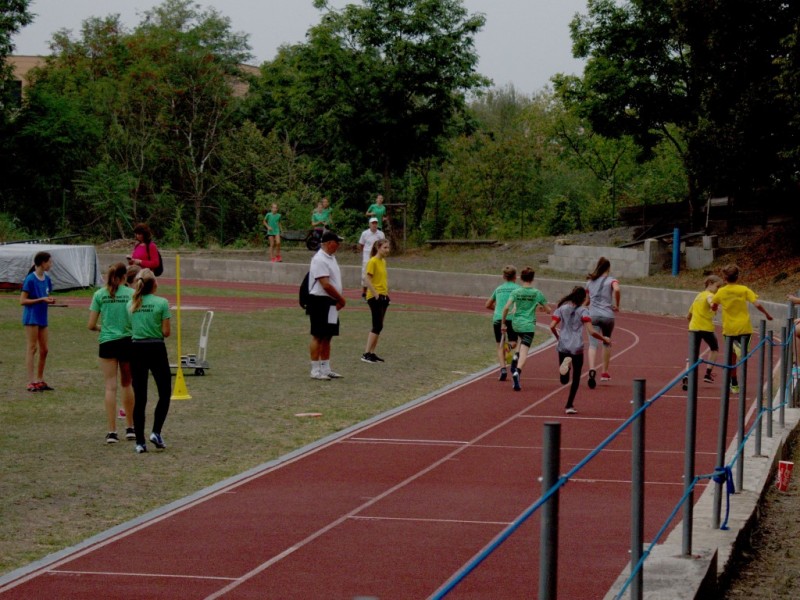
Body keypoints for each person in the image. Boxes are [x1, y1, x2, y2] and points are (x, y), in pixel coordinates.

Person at [88, 263, 135, 443]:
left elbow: (91, 325)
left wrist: (103, 328)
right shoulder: (131, 294)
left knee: (110, 387)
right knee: (127, 384)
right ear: (124, 277)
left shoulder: (99, 294)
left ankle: (112, 431)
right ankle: (130, 427)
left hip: (107, 342)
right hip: (127, 341)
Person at [128, 268, 172, 453]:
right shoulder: (162, 303)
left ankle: (140, 442)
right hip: (156, 348)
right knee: (164, 392)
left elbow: (130, 327)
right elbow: (166, 332)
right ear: (154, 284)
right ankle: (156, 431)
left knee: (140, 397)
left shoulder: (131, 303)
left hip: (136, 348)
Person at [710, 264, 773, 393]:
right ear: (737, 277)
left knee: (731, 358)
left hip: (729, 328)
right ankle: (739, 349)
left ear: (724, 278)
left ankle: (734, 384)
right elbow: (757, 304)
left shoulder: (721, 292)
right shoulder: (744, 289)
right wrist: (767, 314)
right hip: (744, 327)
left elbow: (714, 305)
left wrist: (715, 308)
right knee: (742, 353)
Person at [550, 286, 611, 414]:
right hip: (576, 346)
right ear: (583, 299)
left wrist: (558, 338)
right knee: (576, 378)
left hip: (563, 345)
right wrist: (604, 339)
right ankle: (569, 405)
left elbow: (552, 326)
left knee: (564, 380)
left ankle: (565, 368)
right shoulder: (583, 311)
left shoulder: (562, 308)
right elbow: (591, 331)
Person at [501, 267, 551, 391]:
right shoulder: (537, 293)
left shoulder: (516, 292)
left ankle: (514, 356)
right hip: (528, 325)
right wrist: (542, 308)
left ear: (521, 278)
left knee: (520, 339)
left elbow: (506, 308)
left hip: (516, 324)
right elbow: (548, 310)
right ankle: (517, 372)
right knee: (525, 350)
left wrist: (503, 323)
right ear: (532, 279)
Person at [308, 230, 347, 380]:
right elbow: (325, 284)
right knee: (318, 335)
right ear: (329, 243)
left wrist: (337, 299)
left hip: (331, 302)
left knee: (328, 335)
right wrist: (341, 299)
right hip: (320, 301)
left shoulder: (331, 258)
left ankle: (325, 368)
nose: (338, 245)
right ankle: (315, 370)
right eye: (337, 242)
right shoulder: (319, 259)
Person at [21, 251, 56, 392]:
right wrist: (41, 299)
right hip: (32, 317)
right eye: (49, 262)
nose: (51, 264)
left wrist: (49, 299)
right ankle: (30, 382)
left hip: (42, 317)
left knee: (44, 349)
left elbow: (46, 295)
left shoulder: (47, 279)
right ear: (42, 263)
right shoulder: (30, 279)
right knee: (32, 348)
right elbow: (22, 301)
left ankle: (40, 379)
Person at [682, 275, 722, 390]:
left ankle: (687, 375)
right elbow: (711, 301)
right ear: (710, 283)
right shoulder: (710, 295)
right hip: (706, 328)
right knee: (714, 349)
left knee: (693, 353)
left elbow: (688, 316)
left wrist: (691, 325)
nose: (718, 290)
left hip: (694, 328)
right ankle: (708, 374)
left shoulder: (698, 296)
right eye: (717, 286)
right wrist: (714, 306)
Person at [586, 257, 620, 388]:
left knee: (592, 344)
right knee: (606, 341)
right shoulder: (612, 280)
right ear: (608, 268)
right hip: (608, 316)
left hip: (593, 315)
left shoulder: (590, 282)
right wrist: (617, 304)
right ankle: (604, 372)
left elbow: (587, 300)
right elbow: (617, 289)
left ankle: (592, 369)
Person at [485, 265, 520, 381]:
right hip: (512, 318)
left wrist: (497, 310)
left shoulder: (498, 289)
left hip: (498, 318)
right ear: (515, 276)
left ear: (503, 277)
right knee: (513, 343)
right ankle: (509, 352)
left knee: (499, 345)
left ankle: (503, 369)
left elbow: (487, 305)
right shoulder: (518, 289)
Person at [361, 239, 391, 363]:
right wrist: (375, 294)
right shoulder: (372, 261)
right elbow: (367, 279)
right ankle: (366, 354)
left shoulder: (383, 261)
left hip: (384, 296)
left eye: (388, 247)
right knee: (376, 325)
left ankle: (372, 353)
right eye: (385, 247)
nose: (387, 250)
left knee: (379, 326)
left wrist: (385, 294)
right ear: (378, 248)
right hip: (375, 297)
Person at [358, 217, 386, 298]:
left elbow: (383, 244)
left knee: (377, 273)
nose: (374, 225)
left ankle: (376, 291)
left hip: (377, 256)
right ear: (369, 224)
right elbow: (361, 244)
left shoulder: (381, 234)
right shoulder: (364, 233)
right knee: (365, 274)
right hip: (367, 257)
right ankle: (364, 292)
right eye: (373, 223)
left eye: (375, 223)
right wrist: (365, 253)